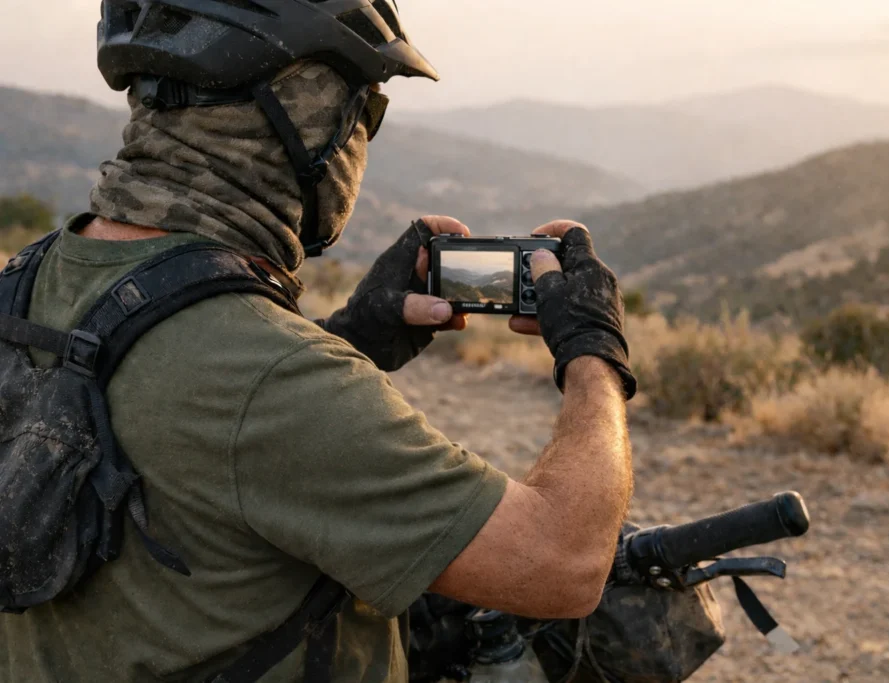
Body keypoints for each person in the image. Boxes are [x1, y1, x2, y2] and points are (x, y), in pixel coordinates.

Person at [0, 2, 637, 681]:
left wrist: (352, 338)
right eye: (365, 111)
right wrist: (593, 350)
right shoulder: (272, 376)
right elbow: (565, 564)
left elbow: (201, 446)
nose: (363, 137)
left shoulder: (23, 288)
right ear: (304, 115)